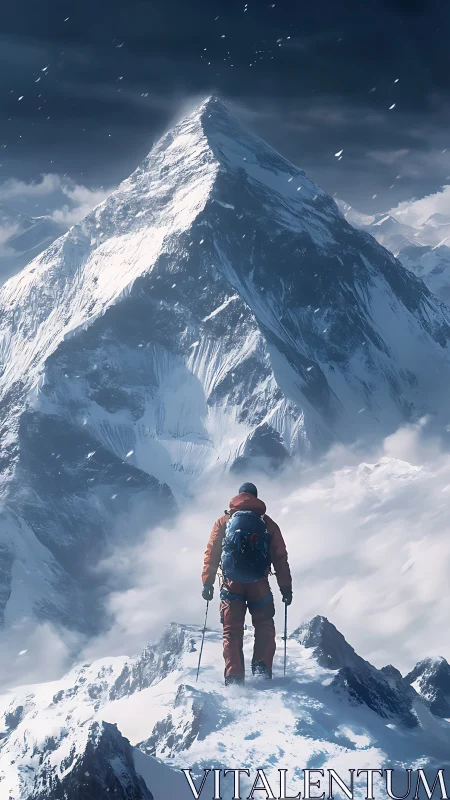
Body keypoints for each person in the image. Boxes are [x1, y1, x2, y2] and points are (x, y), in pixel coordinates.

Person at [201, 482, 292, 686]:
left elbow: (212, 553)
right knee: (264, 624)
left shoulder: (223, 522)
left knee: (231, 630)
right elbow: (280, 558)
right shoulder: (267, 523)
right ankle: (261, 668)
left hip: (231, 584)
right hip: (259, 584)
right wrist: (285, 588)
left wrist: (207, 582)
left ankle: (234, 676)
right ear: (256, 498)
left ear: (238, 496)